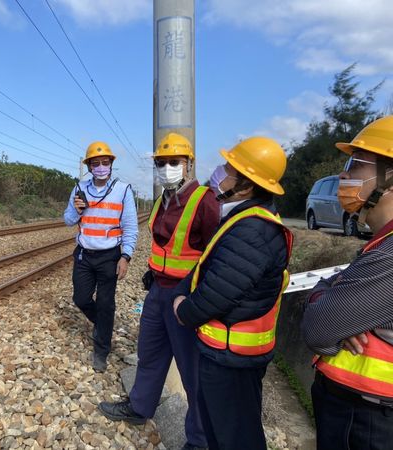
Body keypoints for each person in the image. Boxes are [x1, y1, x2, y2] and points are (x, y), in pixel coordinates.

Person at [98, 133, 220, 450]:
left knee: (192, 372)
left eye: (173, 162)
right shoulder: (162, 200)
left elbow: (215, 254)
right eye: (161, 162)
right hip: (157, 291)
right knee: (150, 354)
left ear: (188, 164)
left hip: (186, 297)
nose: (167, 167)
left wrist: (199, 298)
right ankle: (139, 407)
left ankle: (199, 440)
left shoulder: (204, 201)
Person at [171, 137, 293, 450]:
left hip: (233, 359)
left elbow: (218, 293)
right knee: (220, 431)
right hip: (226, 353)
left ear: (246, 186)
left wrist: (184, 310)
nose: (219, 172)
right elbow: (208, 267)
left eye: (228, 169)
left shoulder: (253, 230)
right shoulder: (242, 219)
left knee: (236, 437)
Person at [301, 116, 393, 450]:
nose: (343, 175)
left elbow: (319, 328)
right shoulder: (382, 244)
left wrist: (329, 301)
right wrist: (329, 293)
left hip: (368, 419)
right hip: (363, 410)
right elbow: (330, 293)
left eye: (356, 164)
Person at [64, 141, 138, 373]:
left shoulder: (123, 190)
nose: (100, 167)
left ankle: (101, 351)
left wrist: (125, 256)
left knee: (106, 304)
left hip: (110, 256)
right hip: (85, 255)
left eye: (105, 162)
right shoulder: (79, 189)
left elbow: (131, 227)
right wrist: (76, 210)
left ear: (111, 164)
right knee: (81, 298)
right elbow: (67, 220)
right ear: (88, 166)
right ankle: (104, 325)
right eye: (95, 163)